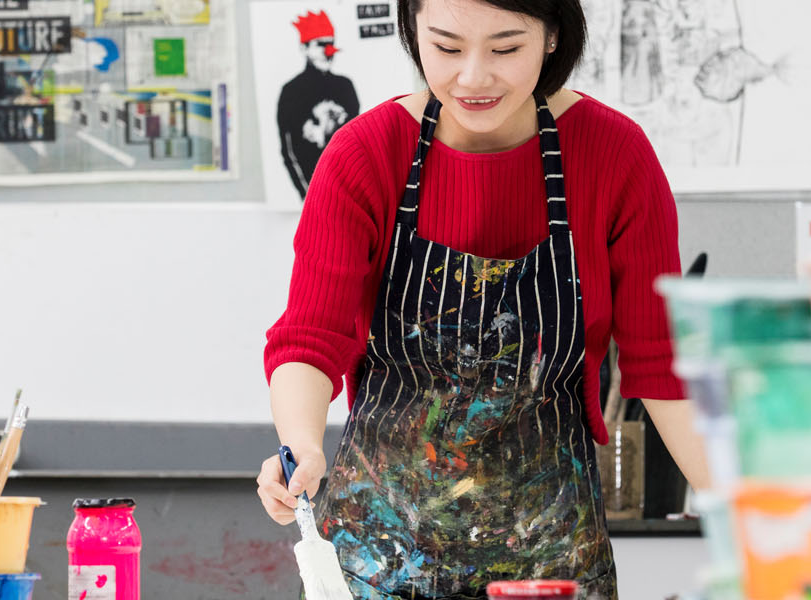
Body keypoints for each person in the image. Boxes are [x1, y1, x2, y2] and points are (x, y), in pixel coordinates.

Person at [257, 0, 709, 597]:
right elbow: (310, 340)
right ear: (413, 32)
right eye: (446, 47)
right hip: (378, 564)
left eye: (505, 48)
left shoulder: (612, 155)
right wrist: (301, 447)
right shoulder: (365, 154)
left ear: (552, 38)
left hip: (552, 561)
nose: (472, 77)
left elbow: (662, 368)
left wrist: (757, 523)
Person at [277, 10, 361, 199]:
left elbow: (358, 145)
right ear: (304, 48)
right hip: (312, 194)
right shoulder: (291, 91)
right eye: (320, 44)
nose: (328, 51)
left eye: (330, 43)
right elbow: (287, 151)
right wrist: (307, 197)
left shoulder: (345, 86)